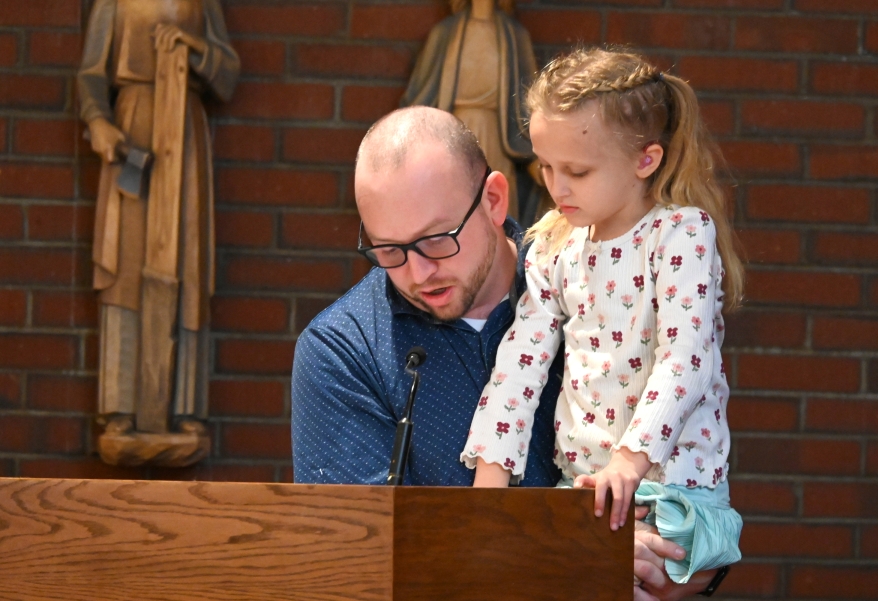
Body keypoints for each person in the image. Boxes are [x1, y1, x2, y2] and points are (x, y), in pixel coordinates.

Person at [292, 105, 721, 600]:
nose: (416, 273)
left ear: (494, 199)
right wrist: (567, 555)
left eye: (436, 240)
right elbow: (352, 560)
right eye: (389, 250)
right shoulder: (343, 350)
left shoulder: (603, 286)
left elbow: (695, 469)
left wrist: (687, 562)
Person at [461, 48, 743, 587]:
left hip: (671, 489)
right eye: (546, 165)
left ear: (646, 160)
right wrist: (488, 496)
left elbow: (686, 359)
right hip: (583, 494)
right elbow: (520, 366)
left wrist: (629, 463)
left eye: (577, 171)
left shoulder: (680, 234)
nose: (556, 186)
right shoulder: (552, 246)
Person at [78, 0, 239, 440]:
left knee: (185, 262)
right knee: (125, 263)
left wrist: (193, 45)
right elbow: (91, 73)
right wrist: (100, 121)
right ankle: (119, 406)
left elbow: (227, 74)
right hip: (133, 131)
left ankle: (185, 405)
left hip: (184, 135)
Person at [401, 0, 544, 225]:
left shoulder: (514, 36)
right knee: (451, 208)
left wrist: (535, 156)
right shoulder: (445, 34)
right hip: (451, 134)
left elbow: (529, 103)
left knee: (494, 209)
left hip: (496, 137)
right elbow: (422, 94)